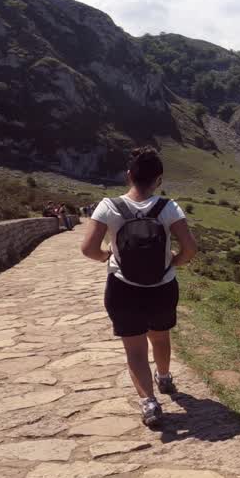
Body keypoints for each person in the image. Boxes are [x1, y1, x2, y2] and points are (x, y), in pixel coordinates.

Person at [80, 147, 198, 427]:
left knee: (134, 349)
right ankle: (165, 378)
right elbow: (190, 249)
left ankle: (149, 403)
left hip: (123, 288)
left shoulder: (108, 206)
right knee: (161, 337)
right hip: (162, 286)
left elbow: (88, 249)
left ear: (129, 175)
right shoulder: (168, 207)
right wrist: (173, 263)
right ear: (159, 179)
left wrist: (107, 256)